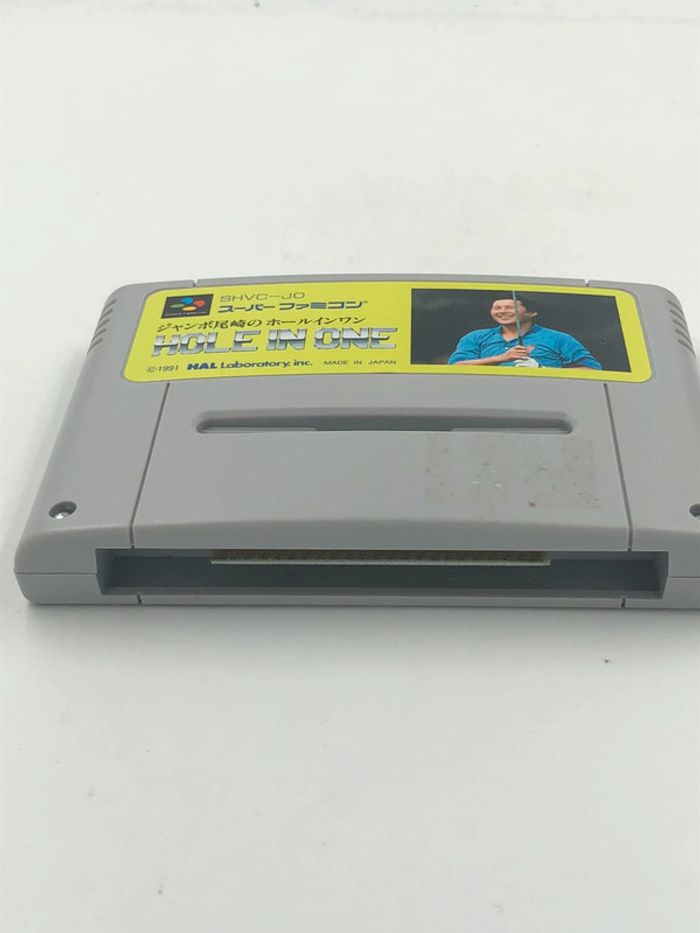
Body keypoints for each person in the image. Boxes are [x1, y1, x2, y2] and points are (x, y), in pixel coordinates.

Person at [447, 296, 602, 369]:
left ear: (532, 312)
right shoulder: (475, 337)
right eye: (497, 308)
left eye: (510, 307)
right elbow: (456, 366)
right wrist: (502, 358)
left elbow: (592, 370)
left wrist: (542, 370)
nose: (502, 311)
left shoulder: (559, 338)